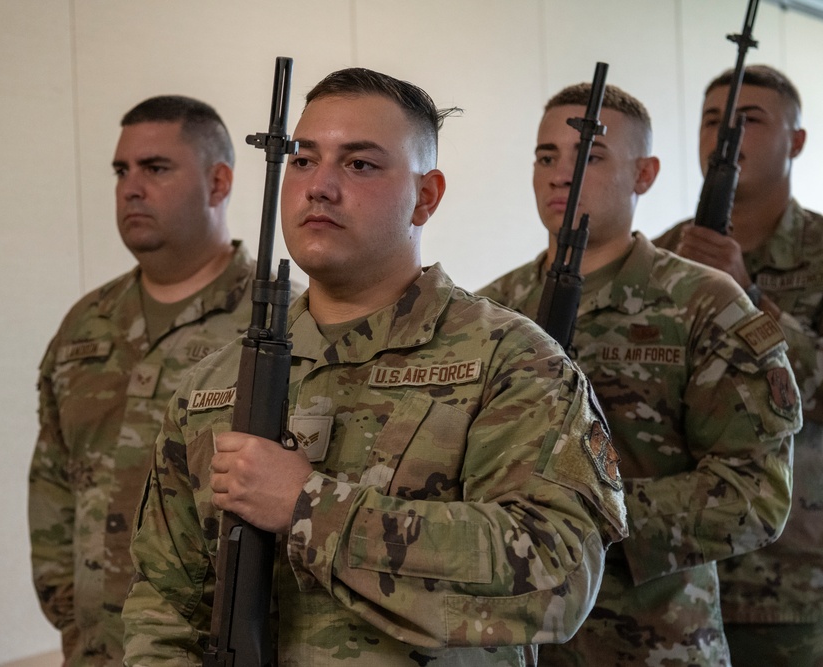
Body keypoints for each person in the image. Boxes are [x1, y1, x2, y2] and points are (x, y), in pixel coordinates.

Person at [122, 67, 629, 666]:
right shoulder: (213, 386)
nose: (320, 187)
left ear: (427, 195)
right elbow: (163, 603)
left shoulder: (512, 363)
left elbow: (558, 578)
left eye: (359, 164)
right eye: (304, 161)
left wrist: (309, 507)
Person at [478, 83, 799, 666]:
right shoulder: (492, 313)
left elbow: (757, 493)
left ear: (644, 174)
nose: (560, 176)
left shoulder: (704, 304)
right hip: (519, 642)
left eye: (589, 157)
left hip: (657, 642)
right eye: (546, 156)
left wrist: (593, 519)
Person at [28, 95, 260, 666]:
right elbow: (53, 479)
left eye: (155, 168)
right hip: (95, 651)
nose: (131, 187)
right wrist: (71, 612)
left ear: (218, 182)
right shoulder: (88, 321)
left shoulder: (273, 327)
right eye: (120, 171)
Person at [654, 64, 823, 666]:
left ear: (796, 140)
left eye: (749, 121)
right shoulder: (662, 255)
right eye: (712, 122)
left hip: (792, 582)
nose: (725, 137)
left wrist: (746, 298)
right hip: (672, 570)